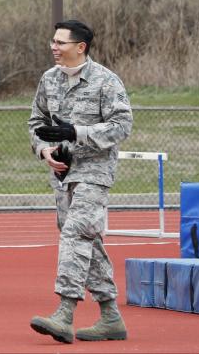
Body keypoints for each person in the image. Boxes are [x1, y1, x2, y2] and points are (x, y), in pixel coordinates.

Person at [28, 20, 133, 343]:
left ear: (80, 47)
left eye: (60, 43)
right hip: (63, 175)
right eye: (53, 42)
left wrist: (77, 133)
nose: (54, 48)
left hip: (94, 174)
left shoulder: (105, 81)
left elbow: (122, 125)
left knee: (75, 234)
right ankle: (111, 317)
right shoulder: (49, 80)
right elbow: (36, 121)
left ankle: (65, 312)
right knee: (87, 240)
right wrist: (44, 150)